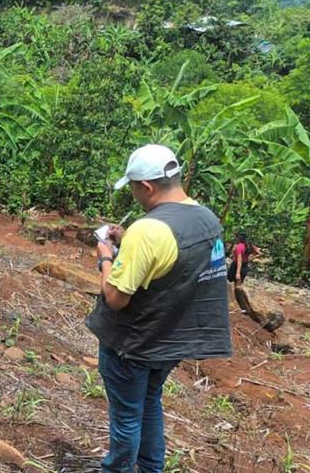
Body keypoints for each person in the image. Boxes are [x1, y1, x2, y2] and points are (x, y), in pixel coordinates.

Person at [86, 144, 231, 472]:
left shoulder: (147, 231)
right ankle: (151, 468)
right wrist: (128, 240)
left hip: (134, 344)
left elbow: (115, 297)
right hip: (170, 342)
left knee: (126, 418)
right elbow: (172, 264)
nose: (135, 194)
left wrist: (106, 256)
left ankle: (117, 469)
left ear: (146, 187)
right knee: (149, 404)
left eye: (134, 187)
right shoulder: (207, 220)